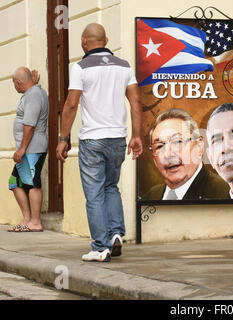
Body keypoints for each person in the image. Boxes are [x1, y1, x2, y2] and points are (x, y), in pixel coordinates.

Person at [56, 23, 143, 262]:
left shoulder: (80, 67)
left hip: (93, 139)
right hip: (118, 138)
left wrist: (63, 138)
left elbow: (71, 104)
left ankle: (100, 247)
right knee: (110, 187)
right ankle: (116, 233)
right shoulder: (124, 66)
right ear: (106, 40)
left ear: (84, 41)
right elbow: (136, 102)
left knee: (94, 193)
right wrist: (136, 135)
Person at [143, 108, 229, 200]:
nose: (168, 154)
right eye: (159, 146)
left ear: (199, 147)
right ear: (153, 158)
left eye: (177, 142)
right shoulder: (150, 197)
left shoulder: (225, 194)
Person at [8, 68, 48, 233]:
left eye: (14, 83)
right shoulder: (34, 93)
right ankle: (27, 219)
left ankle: (35, 222)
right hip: (28, 148)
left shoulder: (33, 95)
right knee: (15, 182)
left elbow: (30, 125)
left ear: (18, 83)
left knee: (32, 184)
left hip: (31, 148)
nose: (15, 87)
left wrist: (22, 148)